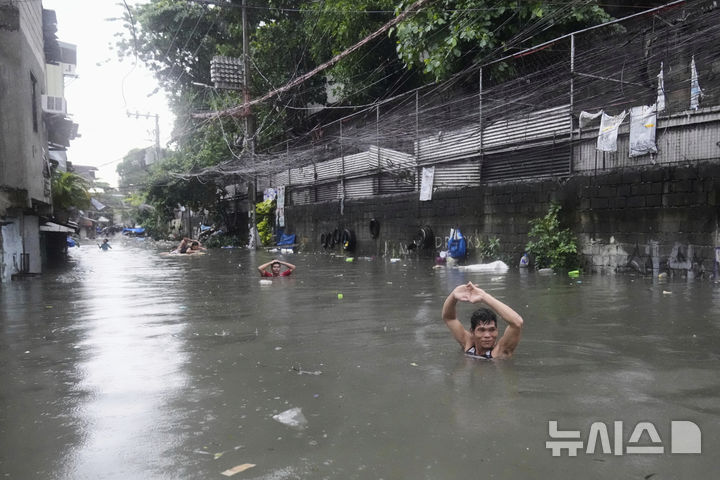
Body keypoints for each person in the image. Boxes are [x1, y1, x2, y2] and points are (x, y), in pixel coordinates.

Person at [441, 281, 523, 359]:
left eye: (492, 330)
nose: (487, 335)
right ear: (472, 332)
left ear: (497, 331)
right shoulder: (468, 344)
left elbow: (517, 323)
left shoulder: (500, 352)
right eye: (481, 330)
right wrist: (453, 296)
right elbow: (449, 318)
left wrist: (483, 296)